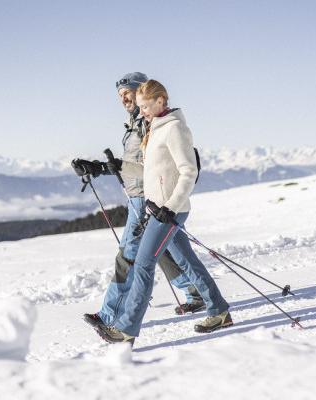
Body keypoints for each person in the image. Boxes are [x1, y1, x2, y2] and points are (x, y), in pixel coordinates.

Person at [96, 79, 233, 344]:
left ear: (161, 101)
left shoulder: (174, 129)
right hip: (160, 209)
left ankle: (126, 330)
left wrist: (170, 209)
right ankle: (219, 311)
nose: (143, 111)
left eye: (146, 106)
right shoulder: (156, 128)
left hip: (168, 211)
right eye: (141, 107)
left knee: (144, 263)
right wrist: (115, 166)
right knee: (186, 260)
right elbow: (151, 172)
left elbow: (188, 171)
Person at [72, 72, 205, 330]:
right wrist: (98, 168)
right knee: (168, 251)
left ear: (141, 92)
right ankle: (197, 294)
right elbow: (135, 166)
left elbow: (149, 166)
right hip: (140, 197)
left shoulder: (148, 123)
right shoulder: (134, 125)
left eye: (128, 93)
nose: (124, 99)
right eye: (120, 96)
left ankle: (110, 315)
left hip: (148, 199)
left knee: (128, 257)